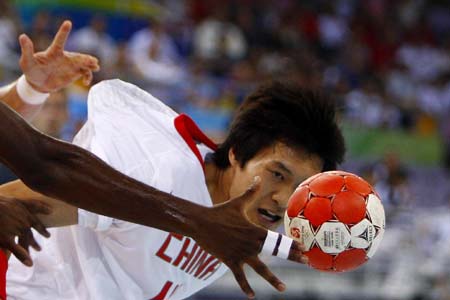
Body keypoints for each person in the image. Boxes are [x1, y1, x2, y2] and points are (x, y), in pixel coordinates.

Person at [0, 22, 345, 300]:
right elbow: (25, 191)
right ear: (237, 152)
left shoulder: (238, 231)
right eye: (277, 174)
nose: (284, 199)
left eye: (299, 187)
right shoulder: (159, 166)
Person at [0, 20, 99, 300]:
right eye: (50, 106)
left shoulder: (76, 157)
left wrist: (33, 88)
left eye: (59, 106)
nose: (53, 113)